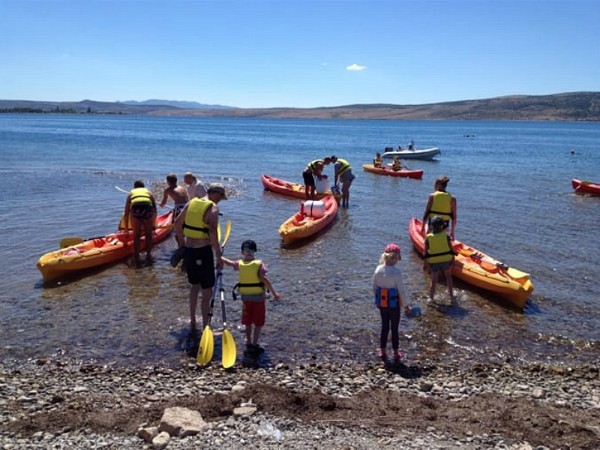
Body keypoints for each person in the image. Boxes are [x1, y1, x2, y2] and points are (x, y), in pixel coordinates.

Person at [175, 183, 227, 334]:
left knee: (194, 286)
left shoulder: (191, 202)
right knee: (207, 289)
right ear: (216, 194)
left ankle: (192, 319)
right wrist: (218, 255)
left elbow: (177, 224)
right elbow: (212, 232)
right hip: (203, 251)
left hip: (189, 251)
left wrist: (182, 245)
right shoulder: (213, 208)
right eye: (220, 198)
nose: (219, 201)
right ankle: (205, 325)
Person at [222, 239, 280, 359]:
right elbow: (264, 278)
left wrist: (219, 257)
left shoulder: (239, 263)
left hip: (246, 299)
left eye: (249, 250)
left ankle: (248, 342)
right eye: (248, 250)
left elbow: (229, 263)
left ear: (242, 252)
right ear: (254, 251)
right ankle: (254, 343)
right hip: (258, 298)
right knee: (258, 323)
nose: (248, 252)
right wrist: (274, 293)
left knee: (247, 322)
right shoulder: (259, 264)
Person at [372, 243, 410, 363]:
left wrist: (378, 298)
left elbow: (374, 287)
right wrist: (406, 305)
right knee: (394, 328)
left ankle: (382, 350)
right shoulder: (396, 272)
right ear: (395, 258)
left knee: (384, 327)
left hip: (383, 305)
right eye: (397, 258)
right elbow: (401, 290)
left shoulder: (378, 269)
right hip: (394, 306)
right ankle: (396, 352)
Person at [123, 180, 157, 266]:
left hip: (136, 210)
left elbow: (126, 212)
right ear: (144, 187)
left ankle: (137, 256)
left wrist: (126, 229)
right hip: (147, 209)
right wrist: (154, 224)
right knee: (148, 234)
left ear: (134, 187)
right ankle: (148, 255)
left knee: (136, 235)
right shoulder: (149, 192)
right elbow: (155, 210)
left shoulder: (131, 193)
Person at [424, 216, 456, 304]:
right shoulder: (446, 236)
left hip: (434, 261)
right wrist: (453, 259)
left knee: (434, 280)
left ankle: (431, 297)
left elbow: (425, 252)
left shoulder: (428, 237)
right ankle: (451, 296)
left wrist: (425, 264)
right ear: (442, 226)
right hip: (446, 259)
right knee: (448, 277)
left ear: (431, 226)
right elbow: (451, 248)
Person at [421, 176, 457, 240]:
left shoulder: (432, 196)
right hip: (444, 224)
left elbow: (426, 213)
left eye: (435, 184)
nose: (434, 186)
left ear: (438, 185)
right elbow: (454, 217)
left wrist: (423, 227)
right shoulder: (452, 198)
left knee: (429, 240)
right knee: (442, 239)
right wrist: (452, 232)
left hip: (432, 223)